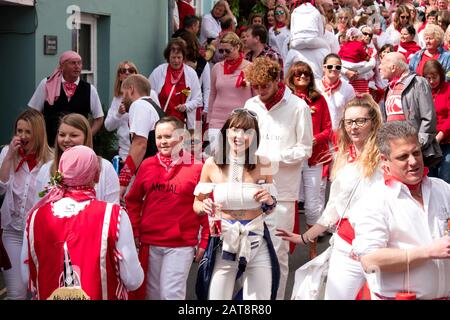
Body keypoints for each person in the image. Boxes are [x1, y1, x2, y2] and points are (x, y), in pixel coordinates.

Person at [277, 94, 384, 299]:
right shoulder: (343, 158)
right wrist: (305, 236)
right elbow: (334, 208)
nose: (354, 127)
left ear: (373, 122)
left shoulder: (385, 158)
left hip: (377, 247)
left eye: (361, 121)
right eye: (349, 122)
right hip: (345, 245)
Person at [22, 145, 143, 300]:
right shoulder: (114, 215)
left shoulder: (35, 217)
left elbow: (28, 278)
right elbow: (133, 280)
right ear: (97, 176)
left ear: (60, 174)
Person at [352, 121, 450, 300]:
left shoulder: (442, 189)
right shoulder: (374, 200)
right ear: (384, 160)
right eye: (403, 157)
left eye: (416, 153)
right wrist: (428, 252)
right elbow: (370, 260)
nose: (413, 162)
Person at [244, 57, 313, 299]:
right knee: (250, 254)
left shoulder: (298, 106)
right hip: (251, 190)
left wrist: (272, 158)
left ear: (276, 81)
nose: (260, 92)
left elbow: (305, 149)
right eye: (256, 86)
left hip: (282, 193)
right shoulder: (250, 104)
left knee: (277, 254)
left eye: (265, 86)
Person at [193, 109, 279, 300]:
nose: (240, 136)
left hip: (256, 240)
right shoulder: (211, 164)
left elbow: (270, 207)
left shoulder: (264, 163)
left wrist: (269, 200)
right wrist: (205, 205)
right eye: (235, 129)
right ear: (226, 132)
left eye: (247, 131)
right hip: (224, 243)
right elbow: (196, 205)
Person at [125, 116, 208, 300]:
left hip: (181, 244)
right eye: (159, 137)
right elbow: (133, 200)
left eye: (168, 136)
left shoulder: (197, 167)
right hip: (150, 241)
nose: (162, 142)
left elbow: (205, 205)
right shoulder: (147, 165)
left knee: (171, 293)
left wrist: (205, 240)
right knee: (152, 294)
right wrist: (135, 231)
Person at [0, 109, 52, 299]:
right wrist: (9, 157)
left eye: (27, 132)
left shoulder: (51, 160)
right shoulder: (8, 152)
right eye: (19, 131)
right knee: (16, 293)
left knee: (37, 290)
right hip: (12, 232)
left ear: (37, 134)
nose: (22, 136)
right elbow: (0, 187)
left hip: (38, 236)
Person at [286, 61, 332, 260]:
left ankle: (312, 249)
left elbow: (328, 129)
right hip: (293, 159)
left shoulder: (318, 99)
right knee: (288, 202)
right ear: (292, 77)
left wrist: (314, 139)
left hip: (314, 158)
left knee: (313, 205)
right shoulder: (286, 100)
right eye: (298, 75)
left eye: (306, 75)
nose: (302, 78)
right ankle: (284, 245)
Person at [35, 113, 120, 204]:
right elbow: (39, 206)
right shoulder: (46, 169)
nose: (66, 140)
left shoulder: (105, 167)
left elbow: (113, 208)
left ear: (86, 137)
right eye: (62, 135)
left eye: (74, 135)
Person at [28, 50, 104, 145]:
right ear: (62, 66)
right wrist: (40, 136)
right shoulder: (47, 84)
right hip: (50, 144)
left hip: (77, 146)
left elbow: (99, 118)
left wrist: (87, 137)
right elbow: (33, 112)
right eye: (73, 63)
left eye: (79, 63)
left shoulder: (90, 89)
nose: (77, 66)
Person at [379, 52, 441, 168]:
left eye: (382, 64)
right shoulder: (389, 88)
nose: (379, 67)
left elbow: (428, 116)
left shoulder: (418, 82)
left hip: (415, 150)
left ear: (393, 67)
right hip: (396, 150)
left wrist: (419, 143)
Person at [118, 74, 165, 199]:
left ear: (131, 89)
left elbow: (140, 145)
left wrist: (123, 181)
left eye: (123, 93)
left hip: (153, 176)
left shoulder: (139, 105)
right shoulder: (153, 106)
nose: (122, 99)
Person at [207, 32, 253, 155]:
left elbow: (255, 96)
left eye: (227, 51)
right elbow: (212, 94)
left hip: (241, 121)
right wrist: (209, 118)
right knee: (217, 158)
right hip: (217, 120)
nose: (224, 55)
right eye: (221, 51)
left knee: (238, 159)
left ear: (237, 47)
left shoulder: (250, 68)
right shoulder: (217, 67)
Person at [149, 38, 202, 130]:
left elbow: (198, 99)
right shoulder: (158, 71)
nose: (176, 61)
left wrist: (186, 106)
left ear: (183, 57)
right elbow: (149, 94)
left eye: (179, 57)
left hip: (182, 123)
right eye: (173, 57)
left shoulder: (191, 73)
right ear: (168, 57)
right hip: (162, 123)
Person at [422, 60, 450, 183]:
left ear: (441, 74)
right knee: (431, 179)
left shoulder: (448, 89)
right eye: (428, 78)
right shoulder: (423, 91)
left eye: (434, 77)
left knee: (445, 177)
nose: (432, 82)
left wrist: (440, 136)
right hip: (429, 142)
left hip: (446, 141)